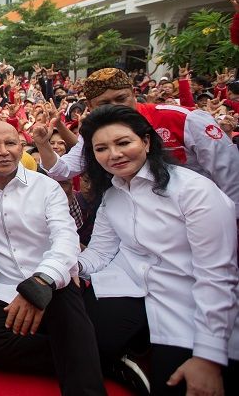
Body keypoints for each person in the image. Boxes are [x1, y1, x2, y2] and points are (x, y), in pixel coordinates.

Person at [77, 105, 238, 395]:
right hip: (128, 286)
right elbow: (99, 253)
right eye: (101, 148)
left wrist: (207, 356)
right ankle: (130, 353)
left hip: (189, 299)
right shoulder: (112, 194)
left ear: (147, 142)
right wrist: (64, 267)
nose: (113, 154)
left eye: (123, 143)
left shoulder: (194, 191)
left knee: (179, 383)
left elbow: (217, 275)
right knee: (74, 336)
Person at [0, 121, 106, 396]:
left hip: (53, 279)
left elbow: (66, 238)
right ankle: (101, 360)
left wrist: (41, 282)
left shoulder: (46, 187)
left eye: (10, 143)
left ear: (21, 147)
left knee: (72, 328)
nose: (3, 151)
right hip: (3, 287)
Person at [36, 68, 239, 218]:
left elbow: (231, 176)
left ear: (133, 93)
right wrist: (43, 144)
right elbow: (63, 170)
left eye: (121, 98)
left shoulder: (184, 119)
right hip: (135, 215)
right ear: (90, 106)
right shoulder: (95, 132)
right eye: (104, 104)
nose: (115, 107)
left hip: (199, 211)